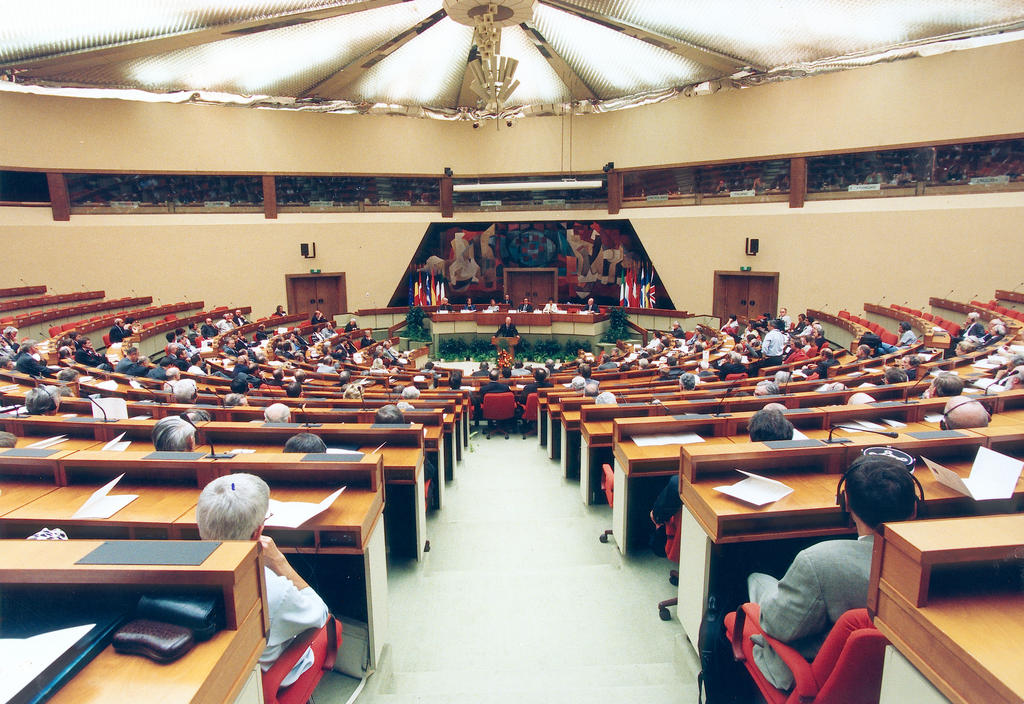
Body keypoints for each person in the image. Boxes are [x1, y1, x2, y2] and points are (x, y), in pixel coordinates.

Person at [747, 455, 918, 690]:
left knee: (756, 579)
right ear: (915, 508)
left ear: (846, 502)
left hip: (818, 678)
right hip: (894, 682)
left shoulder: (817, 561)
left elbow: (777, 626)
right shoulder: (940, 560)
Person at [196, 473, 328, 687]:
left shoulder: (174, 568)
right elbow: (321, 616)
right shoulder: (272, 587)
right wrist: (280, 562)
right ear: (258, 531)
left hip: (219, 677)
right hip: (261, 679)